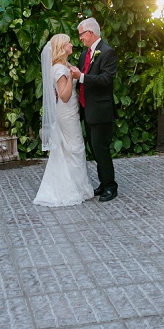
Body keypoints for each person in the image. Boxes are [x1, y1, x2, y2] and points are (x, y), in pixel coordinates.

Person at [33, 33, 95, 207]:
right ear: (62, 47)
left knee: (70, 148)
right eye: (68, 43)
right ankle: (72, 188)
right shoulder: (60, 69)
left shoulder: (63, 66)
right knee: (74, 147)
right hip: (66, 112)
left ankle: (76, 186)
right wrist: (71, 77)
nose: (72, 45)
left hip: (69, 111)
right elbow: (65, 96)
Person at [70, 16, 118, 202]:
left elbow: (106, 80)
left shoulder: (107, 52)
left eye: (81, 34)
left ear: (90, 33)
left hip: (101, 110)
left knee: (101, 149)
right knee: (95, 149)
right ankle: (103, 182)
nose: (80, 38)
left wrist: (81, 76)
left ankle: (111, 187)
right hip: (87, 109)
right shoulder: (84, 55)